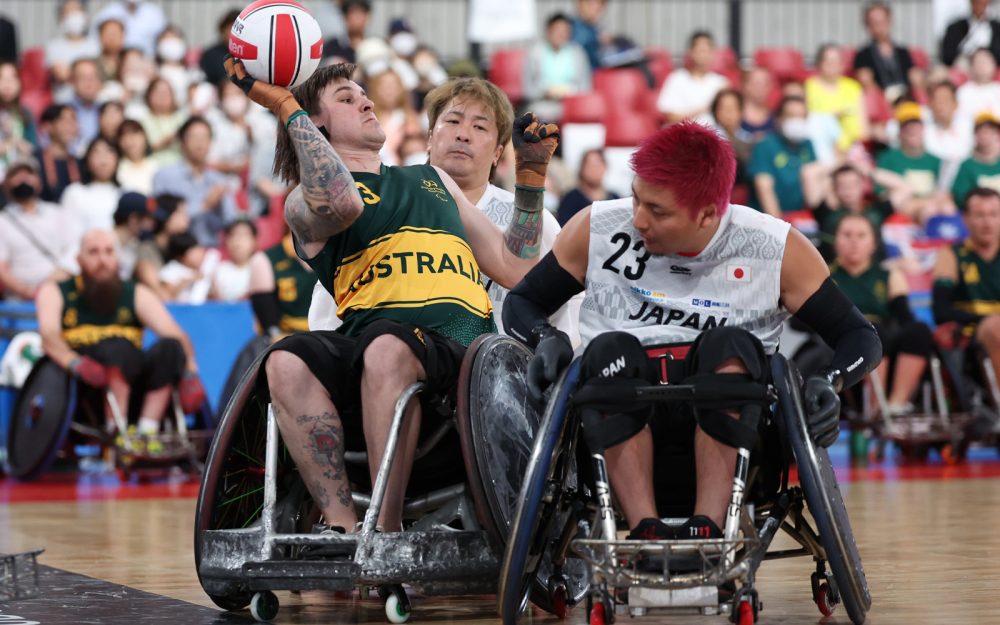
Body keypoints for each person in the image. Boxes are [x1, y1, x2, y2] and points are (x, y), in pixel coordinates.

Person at [503, 121, 880, 542]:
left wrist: (831, 381)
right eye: (635, 198)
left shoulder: (775, 247)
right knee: (609, 349)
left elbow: (859, 336)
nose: (638, 219)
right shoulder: (598, 227)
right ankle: (645, 532)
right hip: (617, 413)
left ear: (707, 214)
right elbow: (522, 301)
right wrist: (546, 338)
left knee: (729, 346)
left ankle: (709, 529)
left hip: (735, 426)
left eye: (658, 211)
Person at [225, 56, 555, 535]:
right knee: (285, 358)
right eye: (346, 98)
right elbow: (342, 201)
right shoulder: (302, 202)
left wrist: (530, 179)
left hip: (459, 351)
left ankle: (386, 529)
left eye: (363, 94)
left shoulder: (433, 181)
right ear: (316, 123)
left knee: (386, 344)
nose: (366, 100)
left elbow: (515, 268)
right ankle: (342, 525)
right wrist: (285, 106)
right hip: (373, 342)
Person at [35, 229, 204, 437]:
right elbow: (49, 336)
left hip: (133, 384)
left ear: (117, 258)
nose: (102, 259)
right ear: (79, 259)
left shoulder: (136, 293)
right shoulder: (56, 291)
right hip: (86, 387)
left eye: (108, 252)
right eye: (94, 252)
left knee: (171, 347)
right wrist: (73, 362)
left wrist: (190, 372)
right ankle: (116, 433)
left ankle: (147, 433)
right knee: (116, 347)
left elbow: (176, 334)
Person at [830, 214, 934, 414]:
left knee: (918, 331)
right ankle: (875, 409)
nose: (854, 241)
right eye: (847, 235)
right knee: (873, 331)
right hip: (840, 340)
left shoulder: (889, 275)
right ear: (836, 241)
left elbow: (905, 318)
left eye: (861, 236)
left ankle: (896, 405)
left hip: (881, 338)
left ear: (873, 244)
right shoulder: (825, 275)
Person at [932, 187, 1000, 385]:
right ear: (965, 219)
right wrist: (987, 319)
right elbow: (940, 311)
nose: (987, 223)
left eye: (994, 214)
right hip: (971, 334)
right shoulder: (951, 254)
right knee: (996, 326)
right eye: (980, 215)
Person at [152, 116, 238, 246]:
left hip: (213, 249)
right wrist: (204, 205)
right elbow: (163, 222)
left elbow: (231, 221)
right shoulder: (165, 176)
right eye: (194, 137)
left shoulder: (219, 180)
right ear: (182, 142)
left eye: (205, 137)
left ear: (211, 143)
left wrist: (222, 205)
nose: (200, 142)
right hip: (178, 250)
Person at [0, 158, 77, 300]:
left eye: (29, 173)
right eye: (16, 174)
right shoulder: (2, 221)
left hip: (59, 293)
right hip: (19, 301)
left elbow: (73, 251)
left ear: (39, 181)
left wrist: (50, 286)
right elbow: (2, 269)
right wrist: (29, 292)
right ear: (6, 183)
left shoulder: (58, 213)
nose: (23, 178)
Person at [876, 102, 955, 223]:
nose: (912, 129)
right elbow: (882, 195)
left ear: (923, 129)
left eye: (916, 125)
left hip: (932, 206)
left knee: (947, 208)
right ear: (900, 131)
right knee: (928, 210)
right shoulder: (888, 158)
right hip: (903, 209)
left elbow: (944, 191)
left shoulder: (936, 160)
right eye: (907, 125)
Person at [748, 95, 817, 216]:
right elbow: (764, 188)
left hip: (800, 218)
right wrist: (780, 227)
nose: (797, 121)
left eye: (802, 117)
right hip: (768, 220)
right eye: (791, 116)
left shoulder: (807, 144)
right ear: (779, 119)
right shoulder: (765, 145)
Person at [523, 12, 592, 123]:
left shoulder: (578, 53)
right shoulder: (535, 53)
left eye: (565, 31)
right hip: (543, 104)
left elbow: (585, 86)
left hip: (571, 104)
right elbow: (528, 89)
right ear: (548, 31)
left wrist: (571, 92)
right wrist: (545, 92)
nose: (561, 34)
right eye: (557, 30)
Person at [250, 226, 318, 338]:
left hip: (330, 337)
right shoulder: (265, 259)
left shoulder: (338, 253)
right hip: (287, 339)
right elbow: (270, 328)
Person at [805, 44, 869, 154]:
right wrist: (830, 117)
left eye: (837, 61)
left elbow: (863, 126)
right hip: (821, 148)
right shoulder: (809, 87)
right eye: (828, 61)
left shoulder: (854, 88)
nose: (833, 65)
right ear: (819, 64)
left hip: (853, 148)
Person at [656, 31, 728, 125]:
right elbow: (671, 117)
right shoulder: (676, 79)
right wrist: (708, 107)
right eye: (700, 51)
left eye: (707, 51)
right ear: (690, 52)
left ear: (713, 53)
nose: (703, 55)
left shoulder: (721, 83)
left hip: (714, 136)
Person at [853, 1, 918, 101]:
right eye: (874, 23)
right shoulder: (862, 55)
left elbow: (915, 78)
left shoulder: (903, 52)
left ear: (889, 21)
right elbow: (866, 83)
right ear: (868, 26)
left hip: (907, 100)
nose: (879, 26)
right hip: (881, 103)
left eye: (882, 21)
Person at [61, 136, 122, 235]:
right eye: (97, 153)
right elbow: (67, 234)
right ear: (87, 161)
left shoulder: (125, 194)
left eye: (109, 152)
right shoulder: (74, 192)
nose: (103, 160)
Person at [134, 193, 190, 300]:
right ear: (167, 217)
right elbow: (157, 290)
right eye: (181, 214)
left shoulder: (180, 249)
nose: (186, 220)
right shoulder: (146, 250)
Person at [45, 0, 100, 100]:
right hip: (64, 100)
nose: (74, 14)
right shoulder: (54, 46)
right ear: (62, 16)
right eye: (69, 11)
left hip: (91, 100)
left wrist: (72, 74)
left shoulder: (95, 45)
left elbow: (98, 74)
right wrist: (84, 75)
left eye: (77, 10)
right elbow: (61, 75)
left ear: (85, 14)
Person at [925, 80, 975, 189]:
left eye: (945, 100)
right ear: (929, 104)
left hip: (965, 184)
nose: (940, 105)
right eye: (936, 100)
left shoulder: (970, 126)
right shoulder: (921, 127)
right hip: (933, 186)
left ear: (956, 104)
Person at [33, 104, 82, 202]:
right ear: (47, 126)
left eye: (74, 120)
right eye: (64, 121)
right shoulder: (35, 161)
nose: (71, 126)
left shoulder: (80, 163)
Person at [557, 148, 618, 226]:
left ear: (605, 167)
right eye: (590, 165)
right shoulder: (570, 199)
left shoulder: (615, 199)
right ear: (582, 168)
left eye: (598, 165)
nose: (594, 169)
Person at [951, 112, 1000, 206]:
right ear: (975, 135)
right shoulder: (967, 166)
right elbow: (961, 197)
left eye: (991, 131)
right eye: (983, 131)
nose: (986, 136)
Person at [0, 60, 38, 176]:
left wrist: (15, 141)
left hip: (19, 174)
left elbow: (32, 146)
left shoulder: (25, 113)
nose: (7, 84)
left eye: (12, 78)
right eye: (2, 78)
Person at [92, 0, 166, 59]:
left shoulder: (155, 13)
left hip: (148, 61)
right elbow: (95, 42)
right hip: (117, 62)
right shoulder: (107, 12)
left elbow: (163, 40)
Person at [940, 0, 1000, 67]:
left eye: (982, 4)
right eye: (976, 3)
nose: (979, 7)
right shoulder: (955, 28)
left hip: (988, 66)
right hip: (964, 65)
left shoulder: (996, 28)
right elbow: (947, 55)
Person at [212, 218, 257, 302]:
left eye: (244, 235)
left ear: (254, 241)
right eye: (233, 235)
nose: (238, 242)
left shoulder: (260, 270)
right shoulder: (217, 270)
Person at [112, 191, 149, 280]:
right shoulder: (100, 241)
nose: (151, 224)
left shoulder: (134, 246)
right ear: (134, 218)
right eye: (148, 218)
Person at [199, 9, 240, 88]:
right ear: (222, 30)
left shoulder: (250, 54)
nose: (233, 34)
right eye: (230, 29)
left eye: (237, 30)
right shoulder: (210, 55)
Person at [957, 47, 1000, 121]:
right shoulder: (963, 92)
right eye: (979, 62)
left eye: (986, 61)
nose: (982, 66)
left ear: (994, 64)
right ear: (971, 67)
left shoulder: (998, 89)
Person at [116, 118, 157, 194]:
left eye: (134, 133)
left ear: (145, 137)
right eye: (124, 136)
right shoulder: (116, 168)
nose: (130, 140)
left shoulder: (156, 165)